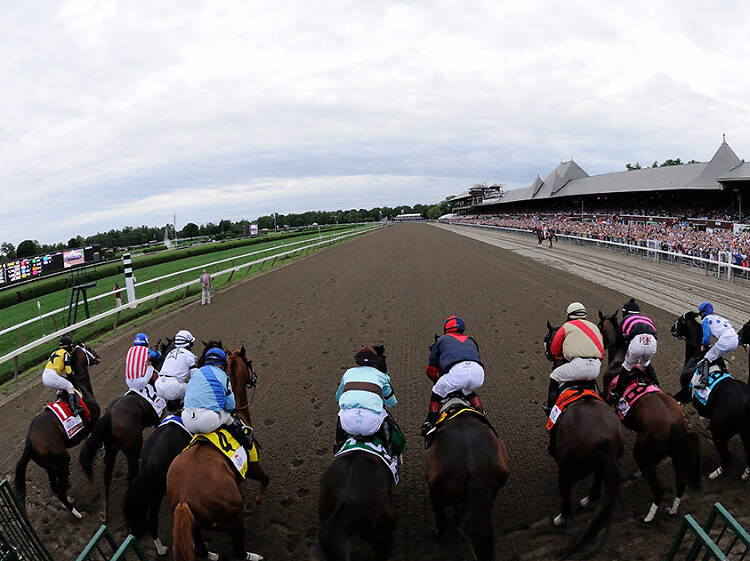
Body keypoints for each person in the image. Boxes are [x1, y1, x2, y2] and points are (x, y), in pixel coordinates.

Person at [421, 315, 484, 437]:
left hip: (457, 373)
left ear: (446, 329)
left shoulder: (441, 340)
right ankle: (482, 414)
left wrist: (437, 380)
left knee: (437, 391)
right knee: (468, 390)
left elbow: (431, 370)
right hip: (478, 373)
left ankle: (430, 422)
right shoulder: (471, 340)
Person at [181, 346, 253, 450]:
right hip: (207, 421)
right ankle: (246, 442)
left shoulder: (196, 373)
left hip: (186, 420)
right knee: (228, 416)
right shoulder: (223, 377)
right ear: (223, 363)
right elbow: (230, 406)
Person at [334, 346, 400, 456]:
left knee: (341, 412)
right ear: (375, 362)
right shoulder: (382, 376)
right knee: (384, 414)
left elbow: (338, 397)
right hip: (371, 424)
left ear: (357, 361)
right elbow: (391, 403)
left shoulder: (348, 373)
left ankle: (337, 448)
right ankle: (390, 454)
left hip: (347, 423)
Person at [543, 302, 604, 414]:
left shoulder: (566, 327)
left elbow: (554, 350)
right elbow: (601, 352)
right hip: (595, 368)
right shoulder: (594, 327)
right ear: (584, 315)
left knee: (555, 376)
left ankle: (550, 408)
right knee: (591, 381)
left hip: (577, 366)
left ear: (568, 315)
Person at [610, 298, 659, 401]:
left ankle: (617, 392)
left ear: (625, 312)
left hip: (637, 342)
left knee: (627, 365)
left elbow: (618, 342)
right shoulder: (647, 318)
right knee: (645, 363)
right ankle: (655, 383)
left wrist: (625, 340)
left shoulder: (625, 320)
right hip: (652, 341)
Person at [695, 302, 739, 387]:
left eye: (701, 313)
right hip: (735, 339)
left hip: (726, 340)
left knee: (707, 357)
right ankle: (724, 371)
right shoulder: (718, 317)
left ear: (703, 313)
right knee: (716, 352)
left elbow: (706, 337)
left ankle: (703, 381)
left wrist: (704, 345)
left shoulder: (705, 320)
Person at [41, 335, 83, 415]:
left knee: (60, 388)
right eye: (71, 346)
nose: (72, 347)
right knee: (69, 386)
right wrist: (74, 382)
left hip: (45, 375)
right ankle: (74, 410)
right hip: (51, 376)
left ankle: (57, 404)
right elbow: (68, 371)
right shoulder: (65, 354)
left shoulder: (55, 352)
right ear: (68, 346)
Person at [155, 330, 197, 408]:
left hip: (158, 386)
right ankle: (188, 409)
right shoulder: (190, 355)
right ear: (188, 344)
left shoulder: (170, 353)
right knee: (196, 388)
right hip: (172, 388)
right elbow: (195, 377)